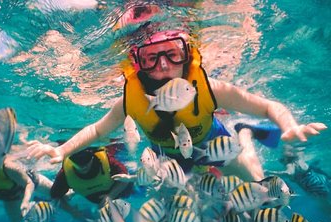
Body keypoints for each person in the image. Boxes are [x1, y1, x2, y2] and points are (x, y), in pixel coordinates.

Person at [27, 28, 326, 182]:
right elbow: (97, 129)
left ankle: (243, 136)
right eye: (151, 57)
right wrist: (61, 150)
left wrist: (288, 126)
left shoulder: (212, 89)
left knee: (257, 180)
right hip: (167, 158)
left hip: (213, 142)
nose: (163, 66)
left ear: (187, 55)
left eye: (172, 54)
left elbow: (268, 107)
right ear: (137, 64)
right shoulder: (130, 100)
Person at [48, 142, 133, 206]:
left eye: (86, 157)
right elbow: (55, 196)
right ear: (69, 158)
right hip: (99, 205)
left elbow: (126, 176)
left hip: (124, 192)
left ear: (93, 154)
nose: (83, 164)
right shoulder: (65, 174)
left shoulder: (106, 160)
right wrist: (74, 213)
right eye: (76, 159)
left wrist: (111, 195)